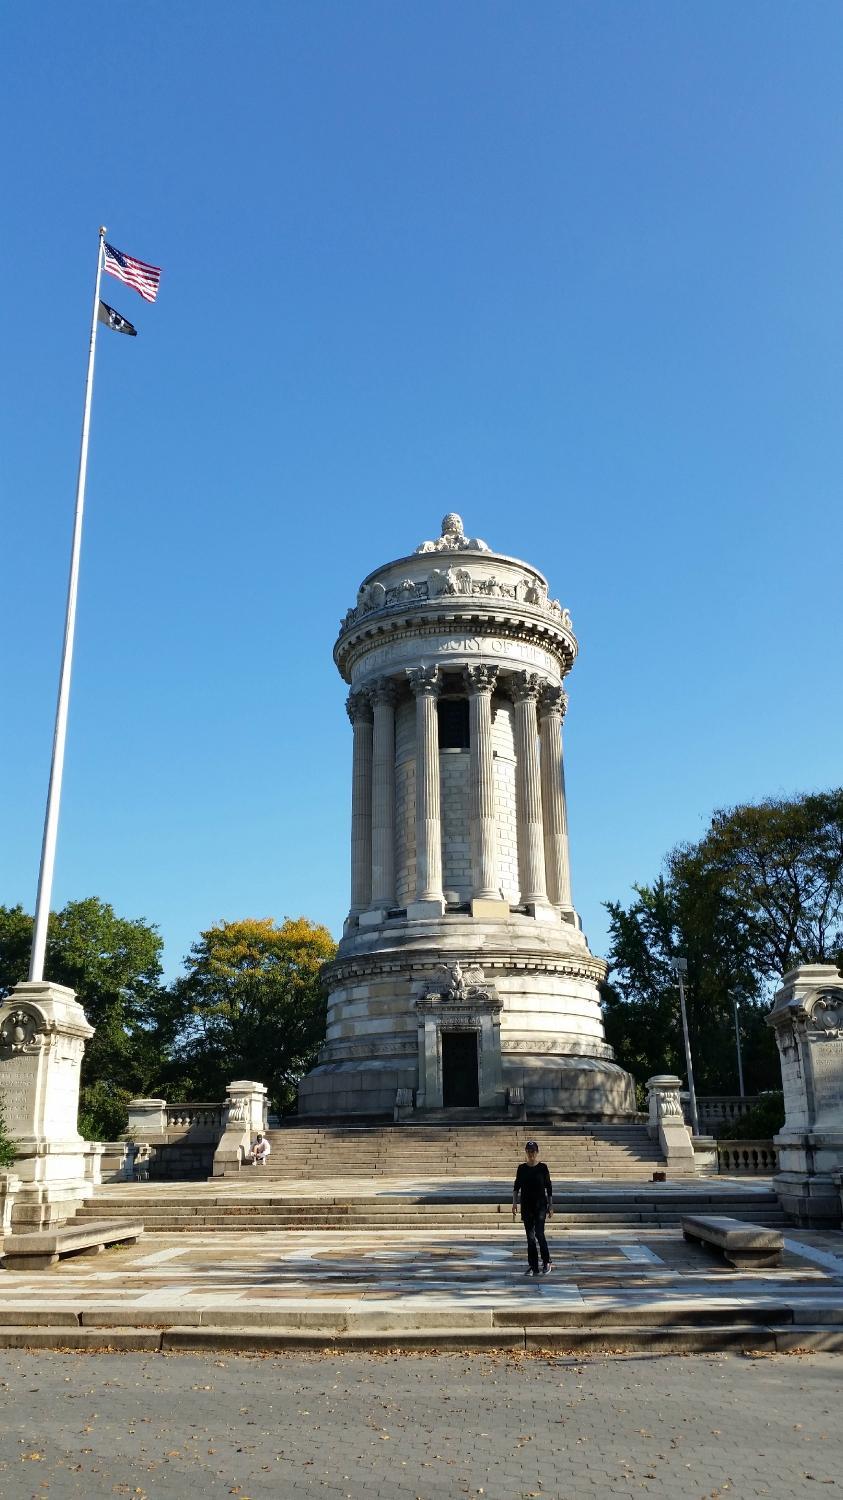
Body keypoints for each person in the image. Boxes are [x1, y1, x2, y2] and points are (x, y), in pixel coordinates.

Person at [512, 1139, 553, 1275]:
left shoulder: (543, 1168)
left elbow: (549, 1188)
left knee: (539, 1234)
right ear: (526, 1152)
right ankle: (533, 1266)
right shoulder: (522, 1168)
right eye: (529, 1152)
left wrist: (551, 1206)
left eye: (533, 1151)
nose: (531, 1154)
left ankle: (546, 1261)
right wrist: (514, 1203)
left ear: (537, 1152)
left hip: (540, 1206)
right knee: (530, 1238)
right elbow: (516, 1188)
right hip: (527, 1207)